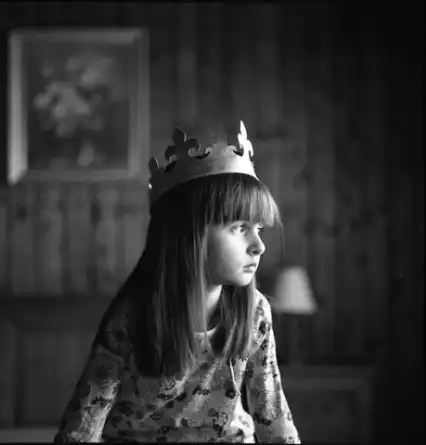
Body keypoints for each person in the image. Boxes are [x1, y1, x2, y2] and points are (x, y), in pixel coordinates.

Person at [54, 122, 300, 443]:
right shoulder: (132, 317)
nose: (259, 246)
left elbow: (274, 418)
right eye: (240, 228)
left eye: (259, 229)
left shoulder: (255, 313)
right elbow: (83, 425)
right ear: (190, 236)